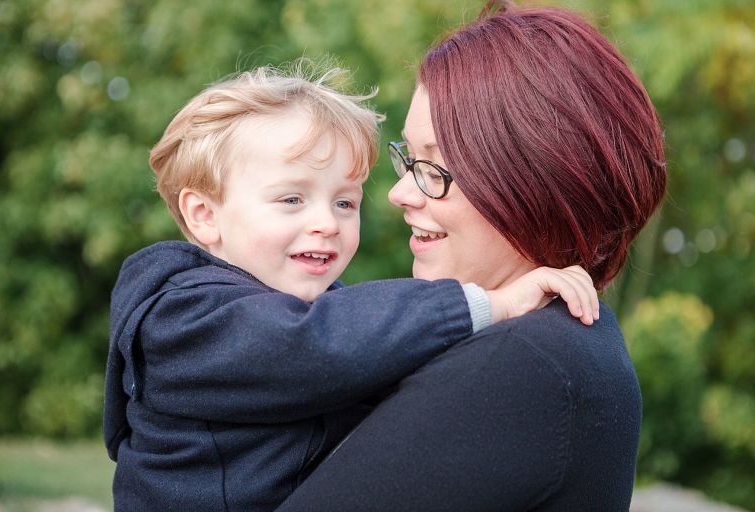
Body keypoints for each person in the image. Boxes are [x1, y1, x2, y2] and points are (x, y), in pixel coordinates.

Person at [103, 64, 599, 511]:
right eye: (292, 198)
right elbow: (312, 347)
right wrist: (493, 303)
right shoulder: (183, 315)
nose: (326, 222)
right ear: (204, 215)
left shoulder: (324, 310)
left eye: (344, 202)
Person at [275, 2, 667, 511]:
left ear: (533, 179)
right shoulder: (565, 349)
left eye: (436, 168)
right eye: (410, 159)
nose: (400, 193)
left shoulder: (525, 367)